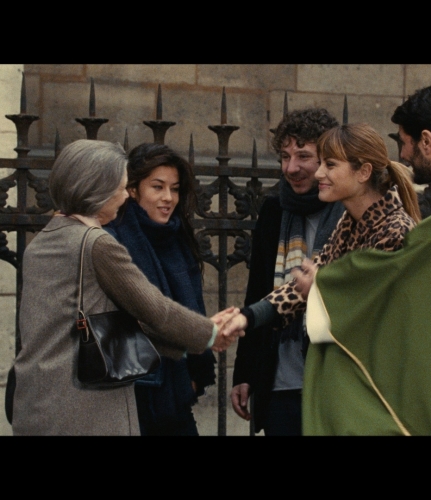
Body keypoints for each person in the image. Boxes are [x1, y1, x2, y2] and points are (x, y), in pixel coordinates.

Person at [302, 82, 431, 435]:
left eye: (404, 142)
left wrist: (330, 285)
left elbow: (405, 271)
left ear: (427, 140)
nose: (403, 156)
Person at [11, 139, 241, 436]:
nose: (124, 197)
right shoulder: (97, 243)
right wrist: (209, 333)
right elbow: (154, 310)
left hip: (38, 403)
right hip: (85, 409)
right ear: (96, 189)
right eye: (120, 188)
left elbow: (112, 325)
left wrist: (186, 345)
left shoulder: (42, 242)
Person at [225, 122, 421, 435]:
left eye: (330, 165)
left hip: (374, 399)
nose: (319, 173)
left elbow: (370, 316)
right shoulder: (350, 223)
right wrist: (246, 317)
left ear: (363, 172)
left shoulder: (394, 230)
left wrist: (321, 289)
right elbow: (298, 288)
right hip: (344, 391)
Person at [230, 108, 345, 436]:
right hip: (282, 380)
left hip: (335, 380)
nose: (291, 168)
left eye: (303, 156)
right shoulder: (273, 209)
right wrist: (245, 372)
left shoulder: (349, 210)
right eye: (284, 156)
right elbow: (259, 290)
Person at [105, 143, 216, 436]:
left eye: (175, 189)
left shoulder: (178, 238)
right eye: (158, 187)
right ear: (132, 189)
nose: (169, 198)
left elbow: (193, 309)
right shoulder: (112, 238)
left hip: (175, 393)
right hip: (129, 394)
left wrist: (194, 375)